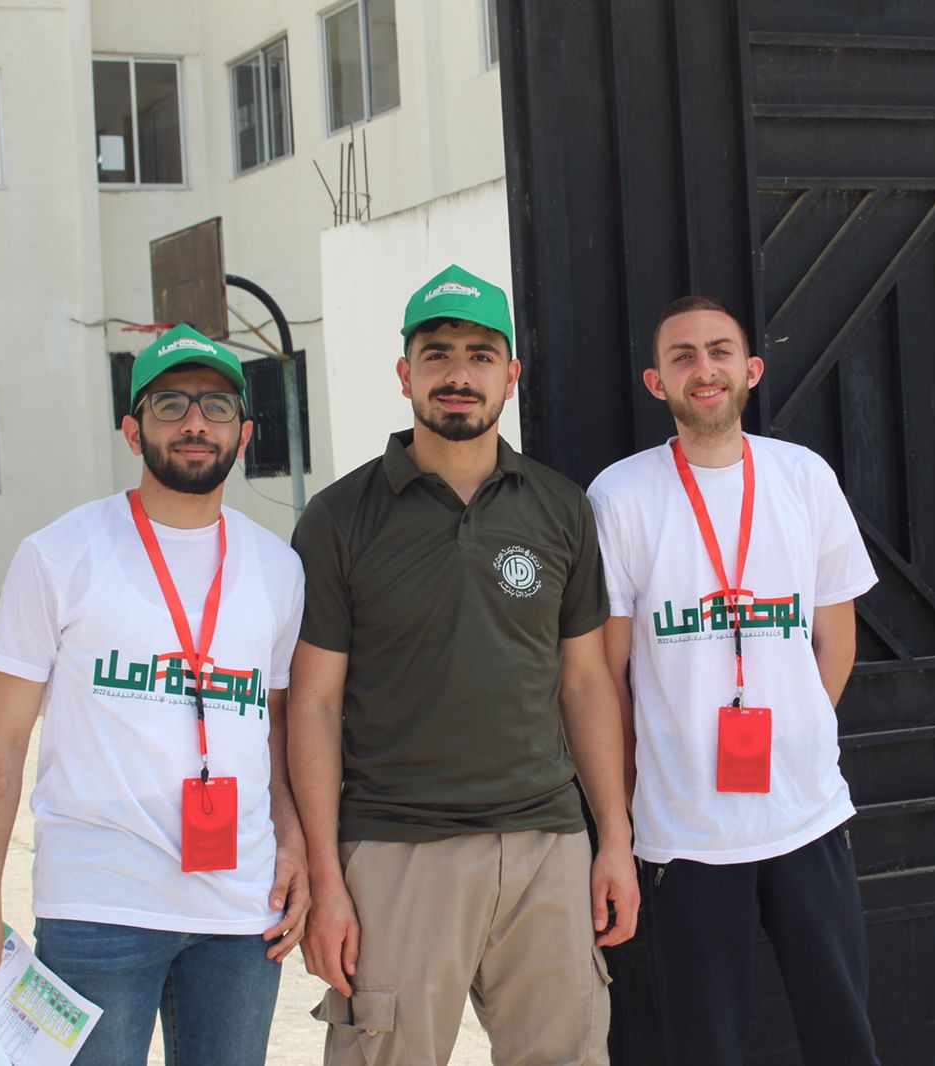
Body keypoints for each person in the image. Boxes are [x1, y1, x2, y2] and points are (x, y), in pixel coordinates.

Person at [289, 264, 638, 1066]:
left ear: (511, 376)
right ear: (404, 373)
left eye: (481, 356)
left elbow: (586, 682)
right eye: (437, 354)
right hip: (397, 848)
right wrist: (326, 878)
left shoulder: (560, 507)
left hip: (546, 845)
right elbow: (312, 705)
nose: (458, 374)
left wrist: (613, 840)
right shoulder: (339, 519)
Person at [0, 324, 308, 1065]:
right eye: (170, 404)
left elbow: (272, 728)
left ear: (244, 435)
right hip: (98, 907)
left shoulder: (279, 567)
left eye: (217, 406)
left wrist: (293, 840)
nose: (195, 422)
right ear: (133, 431)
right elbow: (2, 740)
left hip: (241, 913)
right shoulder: (58, 555)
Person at [587, 295, 881, 1065]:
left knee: (844, 1038)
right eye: (682, 356)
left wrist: (798, 733)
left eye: (719, 351)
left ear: (750, 370)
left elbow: (837, 638)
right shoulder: (620, 496)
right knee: (704, 1049)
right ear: (657, 382)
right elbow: (603, 675)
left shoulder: (803, 477)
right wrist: (622, 818)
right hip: (686, 833)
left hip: (807, 815)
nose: (704, 368)